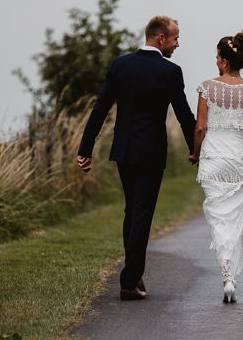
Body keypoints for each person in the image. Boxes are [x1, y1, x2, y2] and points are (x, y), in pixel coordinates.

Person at [77, 16, 196, 301]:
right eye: (175, 38)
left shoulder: (120, 66)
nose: (178, 44)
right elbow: (183, 115)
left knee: (132, 211)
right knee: (141, 213)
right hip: (151, 152)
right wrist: (196, 148)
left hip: (124, 150)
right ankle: (129, 281)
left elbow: (100, 109)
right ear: (160, 38)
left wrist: (85, 148)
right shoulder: (170, 71)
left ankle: (132, 273)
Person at [190, 31, 243, 304]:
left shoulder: (206, 87)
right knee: (235, 219)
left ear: (224, 61)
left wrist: (195, 153)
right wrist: (242, 137)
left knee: (219, 218)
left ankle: (227, 275)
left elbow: (200, 126)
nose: (215, 61)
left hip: (214, 157)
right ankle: (230, 276)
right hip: (239, 159)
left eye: (217, 56)